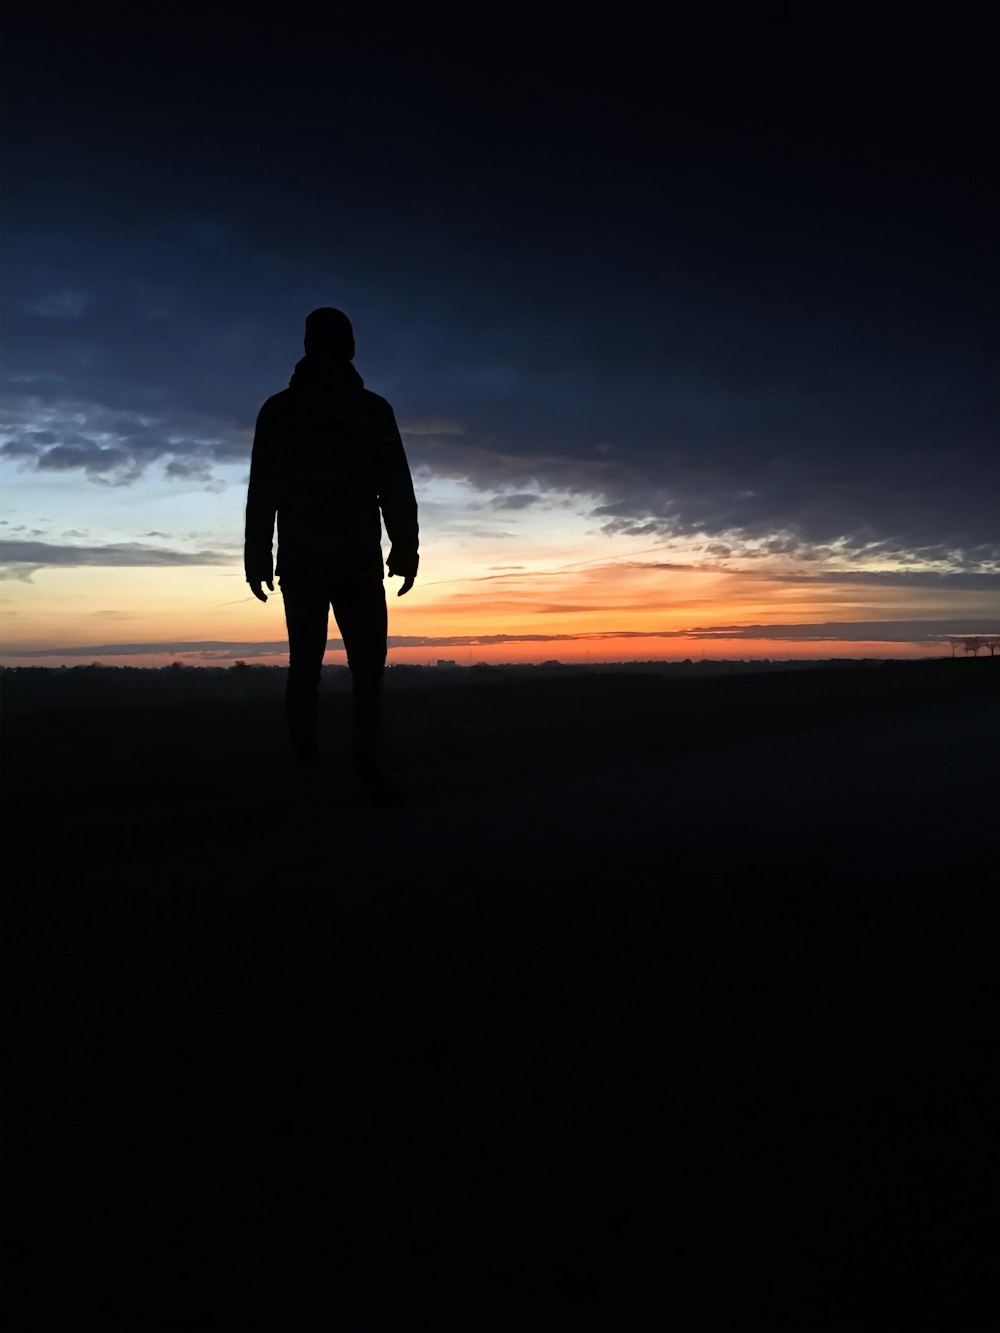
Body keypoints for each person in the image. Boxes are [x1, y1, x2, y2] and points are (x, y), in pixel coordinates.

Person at [244, 307, 419, 797]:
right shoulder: (366, 410)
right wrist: (405, 547)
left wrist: (257, 556)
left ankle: (321, 769)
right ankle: (349, 766)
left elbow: (263, 493)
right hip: (340, 557)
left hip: (317, 558)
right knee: (353, 667)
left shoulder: (286, 410)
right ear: (349, 347)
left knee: (313, 666)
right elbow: (395, 487)